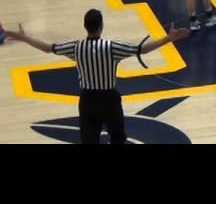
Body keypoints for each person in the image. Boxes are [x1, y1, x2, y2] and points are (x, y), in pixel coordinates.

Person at [3, 9, 190, 144]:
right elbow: (142, 49)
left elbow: (48, 48)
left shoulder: (76, 47)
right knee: (118, 138)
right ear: (101, 26)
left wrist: (26, 38)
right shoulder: (112, 47)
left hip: (87, 100)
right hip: (109, 99)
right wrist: (167, 39)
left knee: (89, 141)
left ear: (85, 27)